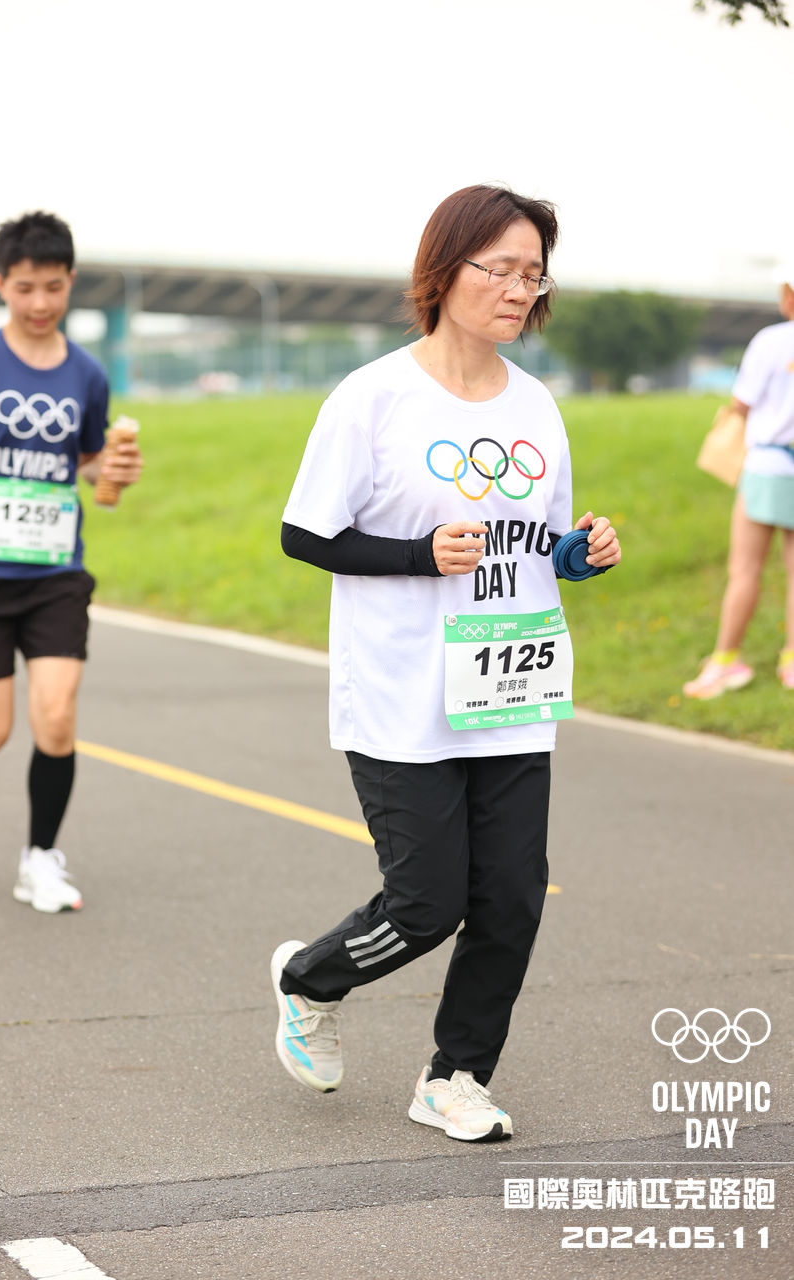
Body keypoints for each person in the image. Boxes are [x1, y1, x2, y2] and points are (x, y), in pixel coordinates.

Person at [270, 183, 621, 1141]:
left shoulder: (536, 404)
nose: (518, 289)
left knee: (509, 898)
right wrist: (417, 556)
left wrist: (581, 554)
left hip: (508, 684)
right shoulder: (374, 397)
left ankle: (455, 1076)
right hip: (399, 690)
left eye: (533, 274)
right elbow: (307, 534)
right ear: (443, 269)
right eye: (499, 268)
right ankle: (310, 979)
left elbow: (537, 541)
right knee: (425, 905)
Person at [0, 210, 143, 911]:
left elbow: (86, 462)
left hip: (55, 572)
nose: (39, 302)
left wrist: (112, 470)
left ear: (70, 282)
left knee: (56, 715)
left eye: (53, 287)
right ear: (1, 283)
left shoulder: (86, 374)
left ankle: (40, 859)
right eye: (25, 287)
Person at [684, 262, 794, 700]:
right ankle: (791, 662)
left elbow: (741, 403)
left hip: (767, 465)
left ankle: (725, 661)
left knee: (745, 570)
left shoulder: (771, 341)